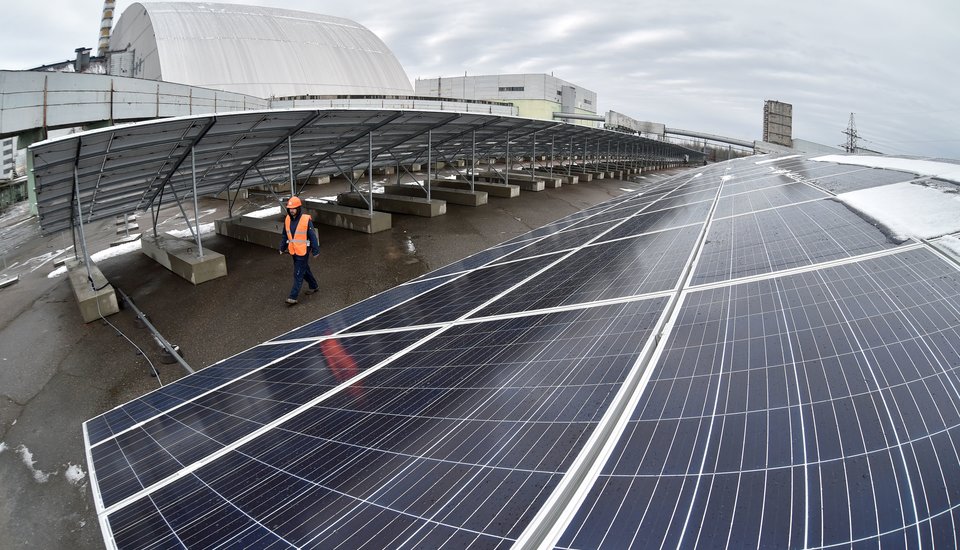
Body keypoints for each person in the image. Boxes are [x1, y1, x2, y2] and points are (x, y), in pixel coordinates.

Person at [279, 196, 320, 305]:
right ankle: (314, 285)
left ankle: (293, 297)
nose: (291, 210)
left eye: (294, 208)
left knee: (298, 273)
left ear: (298, 208)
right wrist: (282, 247)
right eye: (290, 208)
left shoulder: (306, 219)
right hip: (293, 251)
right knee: (304, 270)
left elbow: (312, 236)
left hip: (303, 251)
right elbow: (285, 235)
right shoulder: (287, 219)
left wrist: (316, 251)